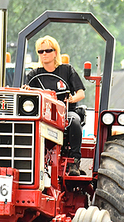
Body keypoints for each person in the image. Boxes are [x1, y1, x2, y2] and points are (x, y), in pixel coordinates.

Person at [25, 35, 85, 176]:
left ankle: (74, 161)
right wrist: (27, 90)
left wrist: (71, 99)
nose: (44, 54)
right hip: (42, 114)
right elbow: (25, 92)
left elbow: (81, 93)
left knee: (74, 121)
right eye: (41, 51)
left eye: (47, 50)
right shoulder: (34, 75)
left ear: (55, 53)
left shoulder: (67, 70)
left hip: (65, 112)